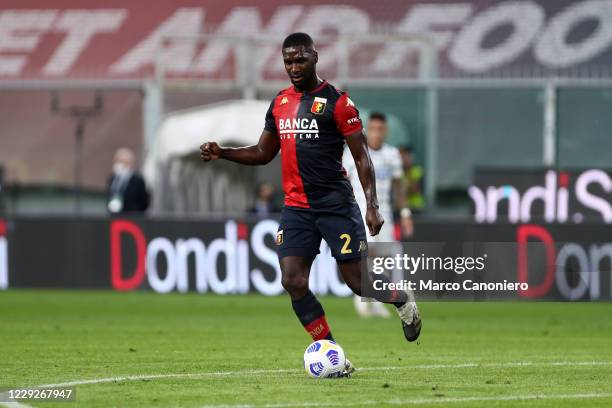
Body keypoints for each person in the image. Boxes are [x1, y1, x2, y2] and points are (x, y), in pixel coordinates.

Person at [200, 33, 421, 375]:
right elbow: (263, 153)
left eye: (300, 59)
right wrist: (224, 152)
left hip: (335, 205)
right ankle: (334, 354)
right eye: (288, 61)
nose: (294, 67)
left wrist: (372, 204)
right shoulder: (279, 103)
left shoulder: (338, 103)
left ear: (315, 57)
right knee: (292, 279)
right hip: (297, 208)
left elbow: (362, 158)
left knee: (356, 282)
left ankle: (401, 300)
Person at [343, 112, 414, 318]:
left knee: (383, 258)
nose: (376, 133)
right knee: (365, 256)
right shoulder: (353, 153)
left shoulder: (392, 154)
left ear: (386, 131)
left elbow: (399, 186)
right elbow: (343, 182)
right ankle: (362, 298)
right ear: (367, 130)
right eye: (372, 129)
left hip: (385, 215)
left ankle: (376, 301)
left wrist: (406, 213)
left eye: (380, 129)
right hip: (360, 214)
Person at [107, 148, 149, 214]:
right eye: (117, 161)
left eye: (122, 161)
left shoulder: (137, 180)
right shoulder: (112, 179)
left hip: (131, 217)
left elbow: (144, 202)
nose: (119, 164)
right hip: (115, 216)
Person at [399, 145, 425, 212]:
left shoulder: (418, 170)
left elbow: (417, 189)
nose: (404, 159)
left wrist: (407, 171)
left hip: (417, 209)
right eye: (402, 156)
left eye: (407, 156)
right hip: (400, 209)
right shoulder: (396, 171)